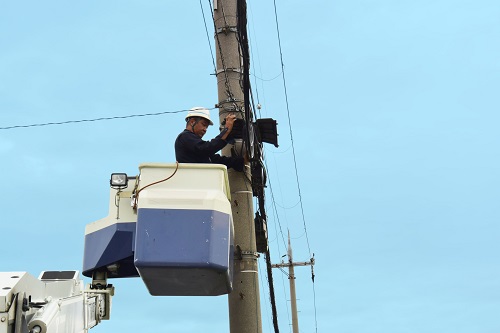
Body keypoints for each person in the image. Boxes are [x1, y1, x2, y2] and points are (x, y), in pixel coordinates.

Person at [175, 107, 244, 171]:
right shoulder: (184, 136)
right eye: (203, 124)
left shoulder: (198, 150)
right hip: (194, 178)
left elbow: (216, 160)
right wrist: (226, 131)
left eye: (207, 127)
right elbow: (207, 148)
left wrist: (242, 160)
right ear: (192, 122)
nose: (205, 130)